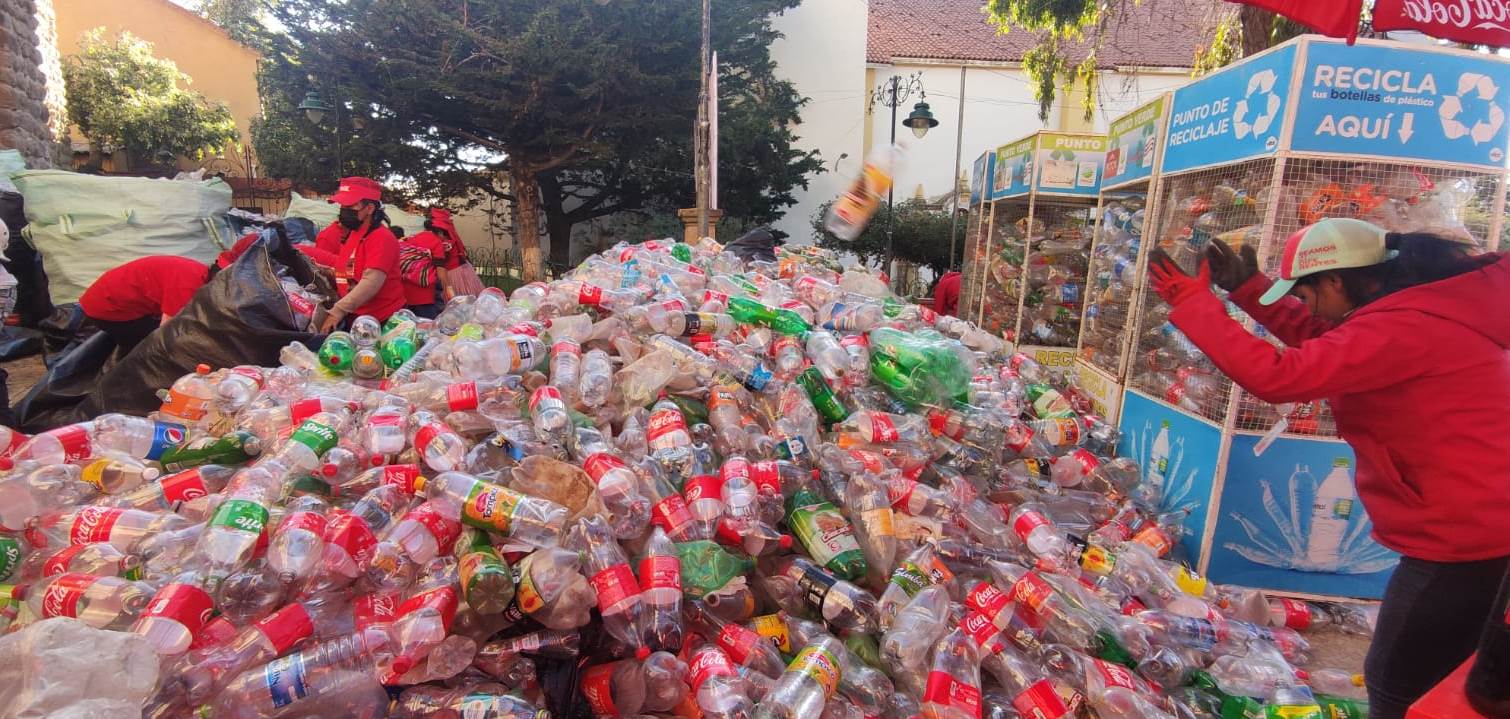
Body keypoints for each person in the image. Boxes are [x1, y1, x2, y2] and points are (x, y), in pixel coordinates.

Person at [1146, 217, 1510, 718]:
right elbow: (1326, 337)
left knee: (1395, 681)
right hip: (1477, 525)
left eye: (1307, 292)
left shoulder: (1403, 327)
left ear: (1336, 280)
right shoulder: (1414, 312)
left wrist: (1194, 305)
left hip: (1463, 539)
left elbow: (1279, 375)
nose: (1305, 304)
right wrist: (1252, 292)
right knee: (1438, 672)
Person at [78, 235, 257, 358]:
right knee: (146, 350)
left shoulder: (196, 272)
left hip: (115, 300)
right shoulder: (187, 285)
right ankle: (124, 382)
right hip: (107, 308)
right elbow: (166, 334)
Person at [296, 177, 405, 331]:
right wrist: (325, 272)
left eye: (350, 205)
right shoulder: (355, 234)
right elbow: (350, 270)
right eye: (342, 205)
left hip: (381, 322)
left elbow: (371, 283)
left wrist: (337, 312)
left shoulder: (382, 238)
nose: (344, 210)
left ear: (370, 208)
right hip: (357, 317)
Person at [428, 208, 484, 297]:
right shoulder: (452, 241)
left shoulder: (446, 244)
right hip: (462, 271)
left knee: (459, 298)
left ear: (441, 232)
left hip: (454, 274)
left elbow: (439, 260)